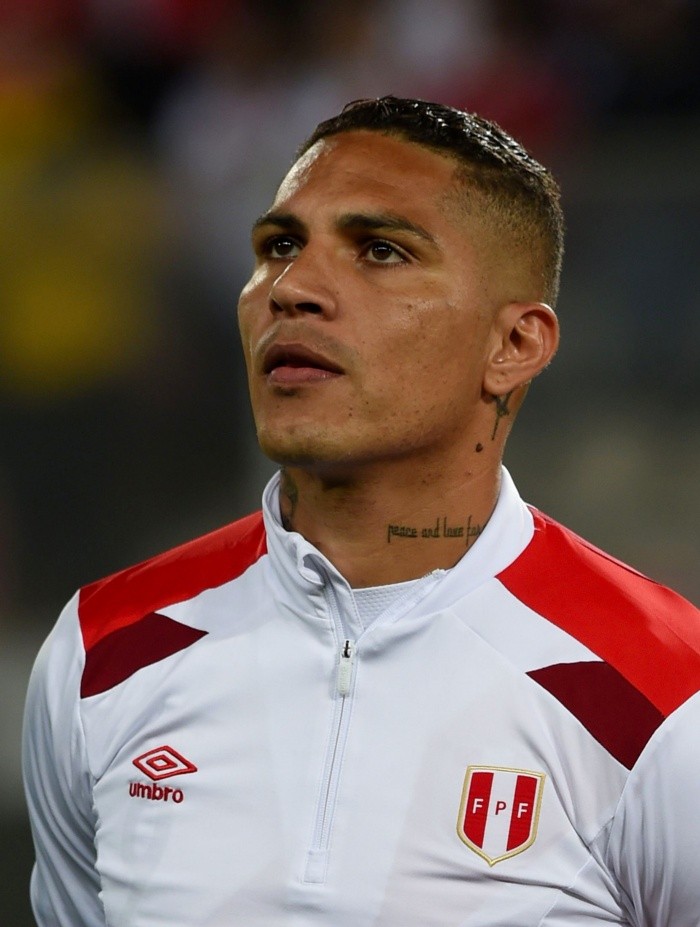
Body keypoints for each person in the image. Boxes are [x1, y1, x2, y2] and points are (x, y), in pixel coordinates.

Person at [22, 96, 700, 927]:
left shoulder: (670, 695)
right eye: (279, 247)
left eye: (380, 250)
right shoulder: (100, 652)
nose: (292, 289)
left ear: (514, 345)